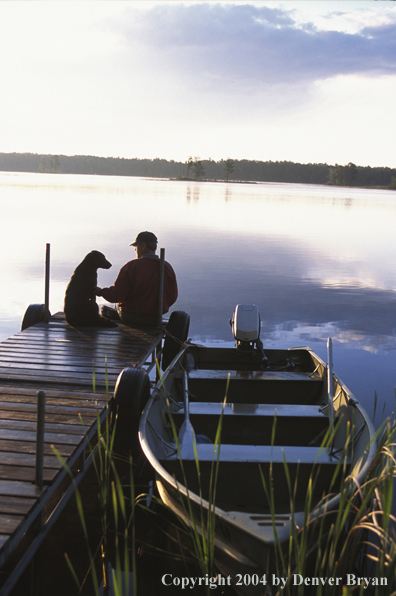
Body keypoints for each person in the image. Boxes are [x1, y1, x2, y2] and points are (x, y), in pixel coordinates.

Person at [96, 231, 178, 327]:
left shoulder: (131, 267)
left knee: (117, 305)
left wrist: (101, 292)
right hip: (155, 318)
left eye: (136, 247)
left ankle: (112, 314)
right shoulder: (167, 267)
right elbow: (173, 296)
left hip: (131, 317)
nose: (135, 250)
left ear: (143, 246)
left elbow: (117, 295)